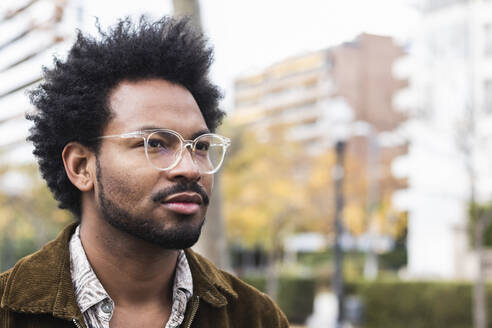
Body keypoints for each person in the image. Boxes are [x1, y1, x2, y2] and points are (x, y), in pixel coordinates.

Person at [0, 16, 289, 328]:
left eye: (200, 146)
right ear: (81, 166)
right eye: (155, 144)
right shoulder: (9, 312)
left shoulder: (254, 317)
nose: (190, 168)